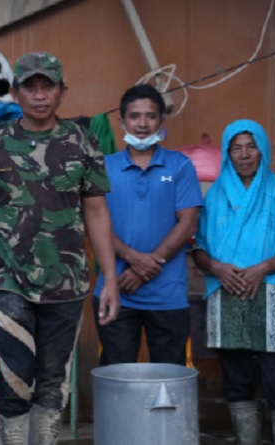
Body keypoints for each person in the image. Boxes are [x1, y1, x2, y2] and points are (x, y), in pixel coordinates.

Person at [0, 52, 119, 445]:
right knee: (14, 376)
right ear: (15, 92)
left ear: (62, 92)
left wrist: (110, 279)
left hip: (68, 282)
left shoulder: (83, 141)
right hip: (7, 279)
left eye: (49, 86)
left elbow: (96, 212)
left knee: (52, 381)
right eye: (31, 86)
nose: (40, 95)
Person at [191, 119, 275, 445]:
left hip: (272, 297)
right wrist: (217, 267)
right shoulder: (212, 197)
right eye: (236, 148)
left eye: (251, 146)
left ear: (263, 150)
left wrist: (261, 269)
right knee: (237, 382)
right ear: (227, 153)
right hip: (226, 298)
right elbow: (197, 247)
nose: (244, 154)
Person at [93, 84, 203, 366]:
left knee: (169, 378)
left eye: (150, 116)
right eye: (135, 116)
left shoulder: (180, 166)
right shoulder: (102, 167)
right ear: (122, 122)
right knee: (117, 376)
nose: (142, 124)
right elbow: (93, 223)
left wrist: (143, 270)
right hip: (115, 290)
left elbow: (188, 223)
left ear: (161, 122)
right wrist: (134, 259)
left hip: (168, 296)